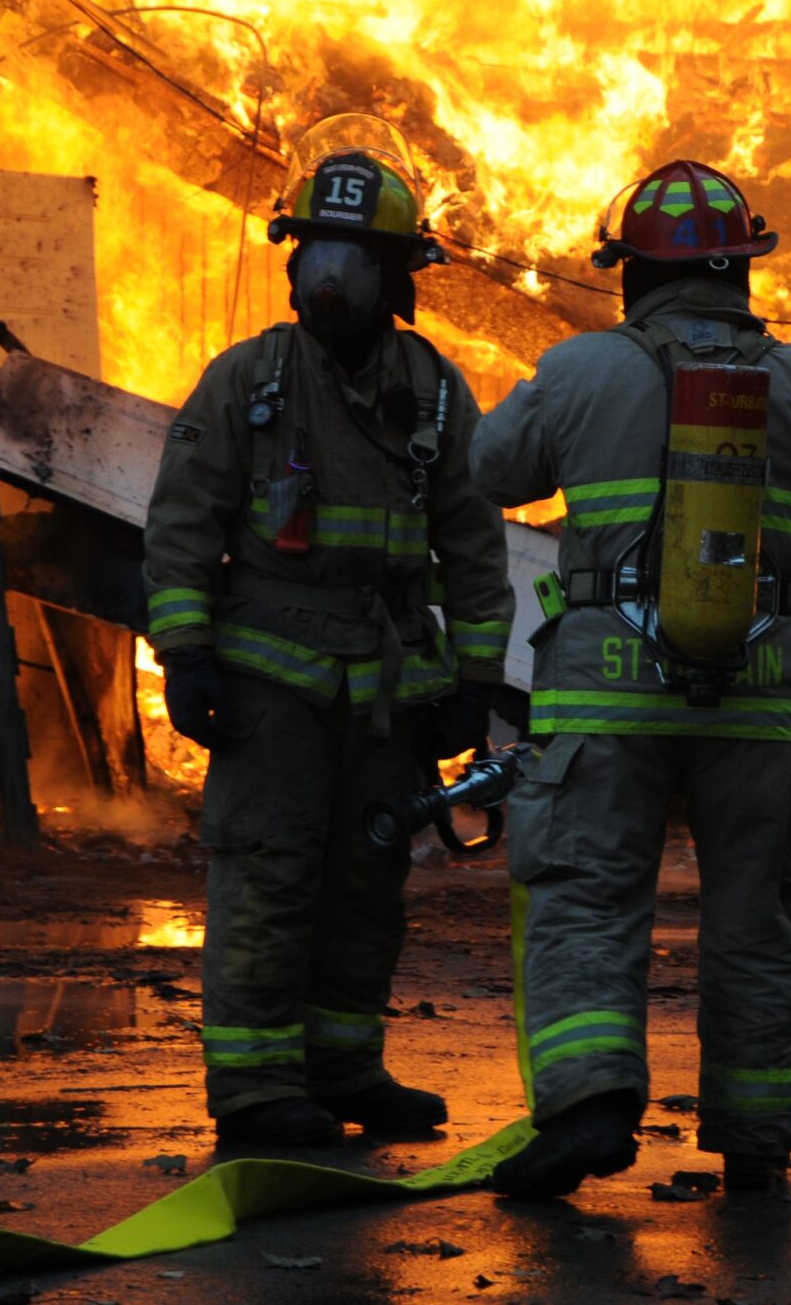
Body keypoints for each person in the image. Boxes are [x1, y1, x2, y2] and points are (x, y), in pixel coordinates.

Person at [470, 160, 791, 1198]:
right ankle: (753, 1137)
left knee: (589, 897)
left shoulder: (580, 369)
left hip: (608, 700)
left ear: (629, 274)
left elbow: (492, 465)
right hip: (756, 698)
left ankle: (590, 1104)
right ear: (743, 269)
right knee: (754, 915)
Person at [142, 113, 515, 1147]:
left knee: (367, 877)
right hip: (271, 688)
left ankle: (343, 1064)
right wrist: (186, 655)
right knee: (268, 871)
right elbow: (180, 524)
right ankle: (258, 1091)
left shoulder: (433, 391)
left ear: (400, 277)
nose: (334, 276)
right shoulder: (247, 383)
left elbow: (475, 549)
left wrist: (474, 683)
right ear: (296, 260)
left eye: (358, 256)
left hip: (387, 690)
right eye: (321, 251)